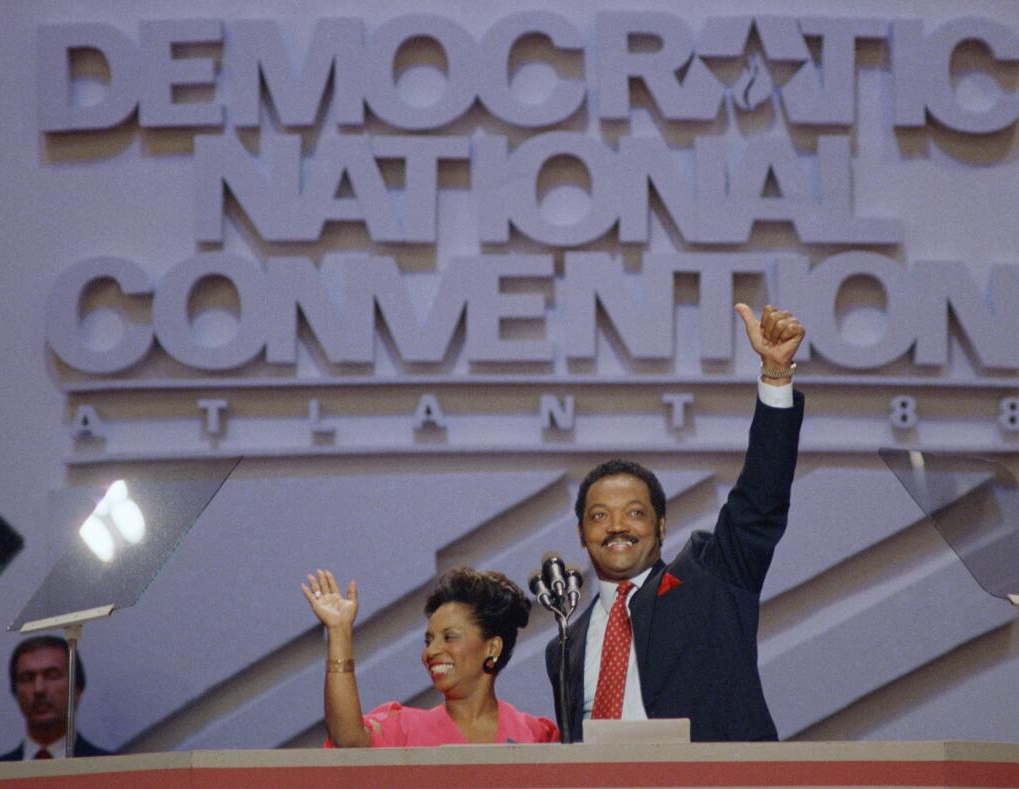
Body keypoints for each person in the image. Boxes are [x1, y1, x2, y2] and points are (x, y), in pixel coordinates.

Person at [547, 303, 805, 742]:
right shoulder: (563, 648)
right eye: (599, 516)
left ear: (661, 526)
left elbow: (760, 501)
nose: (616, 527)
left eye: (634, 513)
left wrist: (775, 375)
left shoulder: (712, 579)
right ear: (581, 534)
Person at [303, 566, 560, 746]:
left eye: (449, 637)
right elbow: (347, 738)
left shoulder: (535, 736)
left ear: (492, 648)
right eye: (429, 640)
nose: (431, 651)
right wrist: (338, 632)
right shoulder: (404, 729)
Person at [0, 636, 111, 760]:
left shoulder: (110, 769)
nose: (39, 689)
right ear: (15, 691)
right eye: (27, 678)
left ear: (77, 689)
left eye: (52, 676)